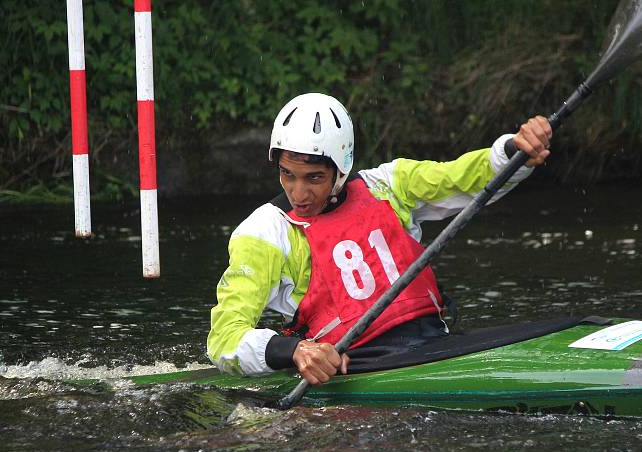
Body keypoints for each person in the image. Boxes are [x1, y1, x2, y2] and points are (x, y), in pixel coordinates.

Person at [207, 93, 552, 385]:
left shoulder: (390, 185)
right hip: (358, 370)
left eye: (314, 178)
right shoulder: (264, 232)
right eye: (287, 174)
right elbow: (224, 337)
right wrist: (295, 351)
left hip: (437, 346)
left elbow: (464, 178)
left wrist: (515, 150)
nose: (299, 193)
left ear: (341, 169)